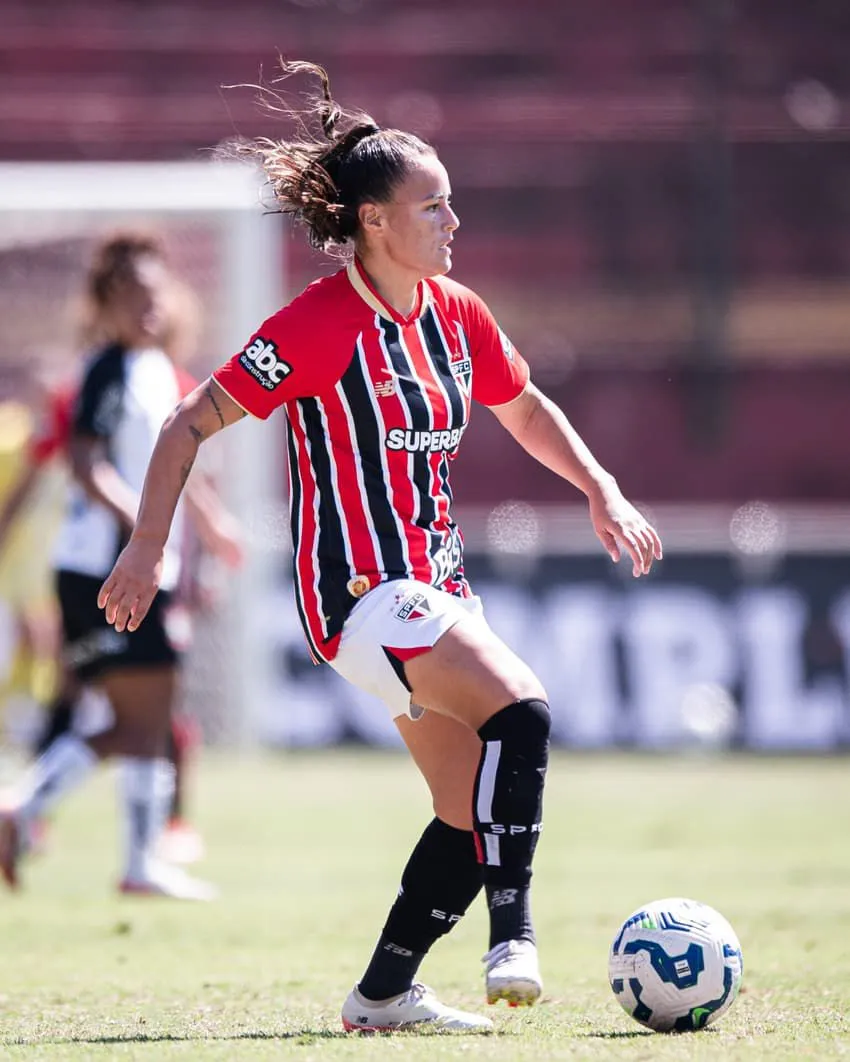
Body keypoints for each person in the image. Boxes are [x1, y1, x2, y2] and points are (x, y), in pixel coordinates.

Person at [97, 61, 662, 1030]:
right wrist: (148, 547)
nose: (452, 223)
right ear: (372, 221)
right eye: (432, 207)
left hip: (436, 589)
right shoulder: (320, 324)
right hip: (357, 593)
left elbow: (520, 405)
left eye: (451, 205)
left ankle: (384, 992)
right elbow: (188, 420)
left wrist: (598, 487)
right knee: (521, 710)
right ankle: (513, 932)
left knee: (460, 809)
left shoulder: (457, 315)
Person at [0, 230, 241, 899]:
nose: (148, 307)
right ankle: (125, 855)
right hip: (108, 569)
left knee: (141, 718)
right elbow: (85, 461)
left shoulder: (157, 369)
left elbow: (172, 467)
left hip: (126, 566)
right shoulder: (108, 367)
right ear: (104, 302)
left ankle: (34, 810)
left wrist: (210, 526)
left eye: (155, 293)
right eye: (131, 294)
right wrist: (145, 532)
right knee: (143, 714)